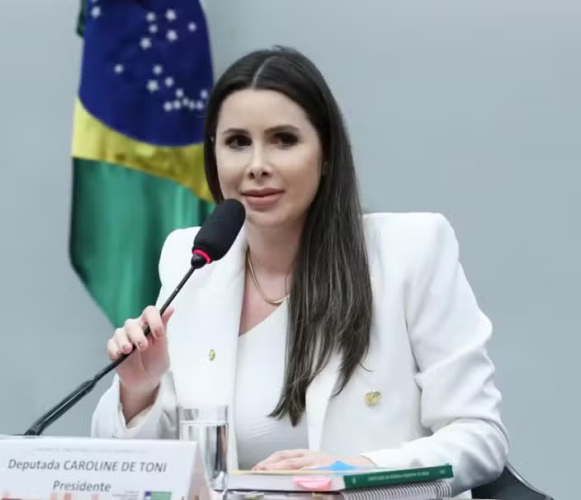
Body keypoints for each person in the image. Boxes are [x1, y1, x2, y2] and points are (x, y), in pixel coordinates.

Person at [91, 46, 508, 497]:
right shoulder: (192, 260)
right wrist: (140, 390)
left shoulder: (411, 250)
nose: (257, 165)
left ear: (325, 154)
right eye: (237, 142)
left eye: (283, 140)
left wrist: (354, 473)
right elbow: (146, 476)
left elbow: (480, 437)